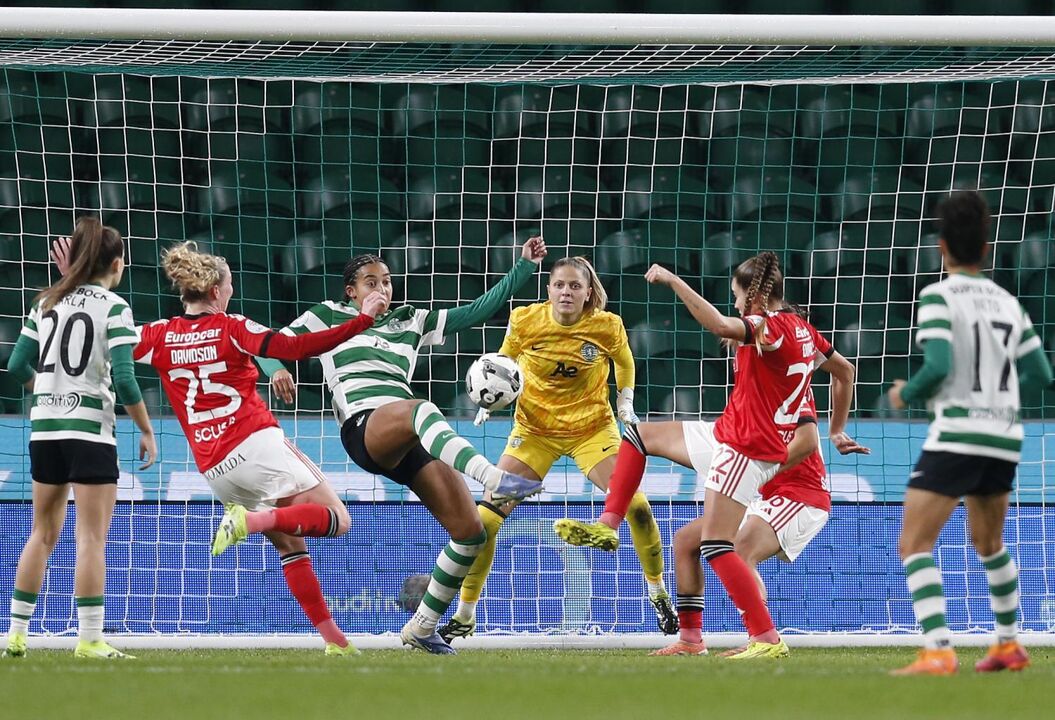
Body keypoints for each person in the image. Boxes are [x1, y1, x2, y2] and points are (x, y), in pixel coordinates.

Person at [555, 252, 865, 659]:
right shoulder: (802, 334)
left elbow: (805, 439)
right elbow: (845, 372)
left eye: (736, 296)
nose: (734, 305)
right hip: (732, 439)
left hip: (777, 475)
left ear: (754, 298)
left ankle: (764, 637)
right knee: (653, 466)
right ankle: (681, 626)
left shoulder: (771, 332)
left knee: (724, 548)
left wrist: (672, 279)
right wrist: (839, 428)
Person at [261, 237, 548, 654]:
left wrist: (523, 267)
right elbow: (269, 345)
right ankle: (494, 478)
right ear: (351, 291)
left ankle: (422, 627)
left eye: (387, 281)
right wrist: (273, 371)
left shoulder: (410, 320)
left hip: (410, 435)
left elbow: (476, 312)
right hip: (365, 427)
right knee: (420, 409)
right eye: (370, 282)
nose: (381, 288)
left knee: (470, 534)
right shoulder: (328, 316)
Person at [128, 240, 388, 656]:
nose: (231, 289)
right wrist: (361, 321)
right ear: (215, 292)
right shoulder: (233, 327)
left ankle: (334, 641)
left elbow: (110, 347)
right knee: (338, 520)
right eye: (229, 284)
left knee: (289, 541)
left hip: (215, 470)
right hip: (255, 443)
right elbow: (297, 348)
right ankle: (250, 521)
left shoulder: (157, 335)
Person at [438, 256, 677, 644]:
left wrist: (626, 401)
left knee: (637, 507)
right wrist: (488, 401)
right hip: (534, 432)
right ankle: (466, 614)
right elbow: (504, 363)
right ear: (548, 290)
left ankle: (658, 592)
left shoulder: (606, 325)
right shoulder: (525, 320)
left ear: (587, 293)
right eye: (560, 285)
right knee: (486, 522)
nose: (566, 291)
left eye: (575, 286)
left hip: (591, 430)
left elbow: (625, 361)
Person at [887, 191, 1053, 675]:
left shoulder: (938, 297)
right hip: (1003, 435)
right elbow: (1041, 372)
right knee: (989, 544)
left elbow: (938, 365)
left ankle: (938, 649)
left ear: (941, 248)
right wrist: (998, 400)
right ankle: (1007, 644)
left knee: (914, 545)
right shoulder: (1007, 301)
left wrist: (905, 393)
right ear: (985, 248)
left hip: (958, 434)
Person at [2, 217, 157, 660]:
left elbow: (15, 366)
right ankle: (89, 639)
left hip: (45, 430)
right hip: (90, 432)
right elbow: (126, 381)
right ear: (116, 261)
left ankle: (15, 635)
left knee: (41, 533)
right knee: (90, 538)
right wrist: (145, 429)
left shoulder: (46, 301)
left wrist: (47, 393)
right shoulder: (114, 306)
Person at [654, 382, 863, 655]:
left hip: (801, 495)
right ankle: (690, 640)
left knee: (740, 552)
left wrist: (760, 471)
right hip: (765, 496)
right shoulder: (754, 388)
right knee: (686, 540)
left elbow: (808, 441)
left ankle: (763, 639)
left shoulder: (789, 383)